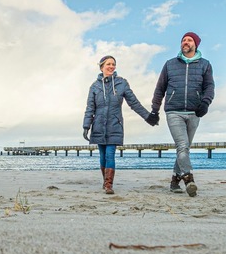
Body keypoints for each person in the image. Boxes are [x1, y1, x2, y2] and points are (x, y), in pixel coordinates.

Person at [145, 31, 215, 196]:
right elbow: (160, 88)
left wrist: (205, 103)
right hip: (174, 111)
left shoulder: (205, 64)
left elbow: (209, 87)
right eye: (183, 40)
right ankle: (189, 180)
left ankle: (174, 182)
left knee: (184, 149)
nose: (186, 42)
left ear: (195, 44)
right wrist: (154, 110)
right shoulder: (170, 64)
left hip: (194, 111)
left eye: (189, 40)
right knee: (182, 146)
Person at [82, 55, 153, 195]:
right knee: (102, 155)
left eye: (113, 64)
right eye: (108, 64)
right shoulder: (94, 86)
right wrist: (86, 126)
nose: (111, 66)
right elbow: (90, 108)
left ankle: (108, 185)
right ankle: (105, 181)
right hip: (98, 125)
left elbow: (134, 103)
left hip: (115, 124)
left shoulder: (122, 83)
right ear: (101, 67)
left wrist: (148, 116)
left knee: (110, 154)